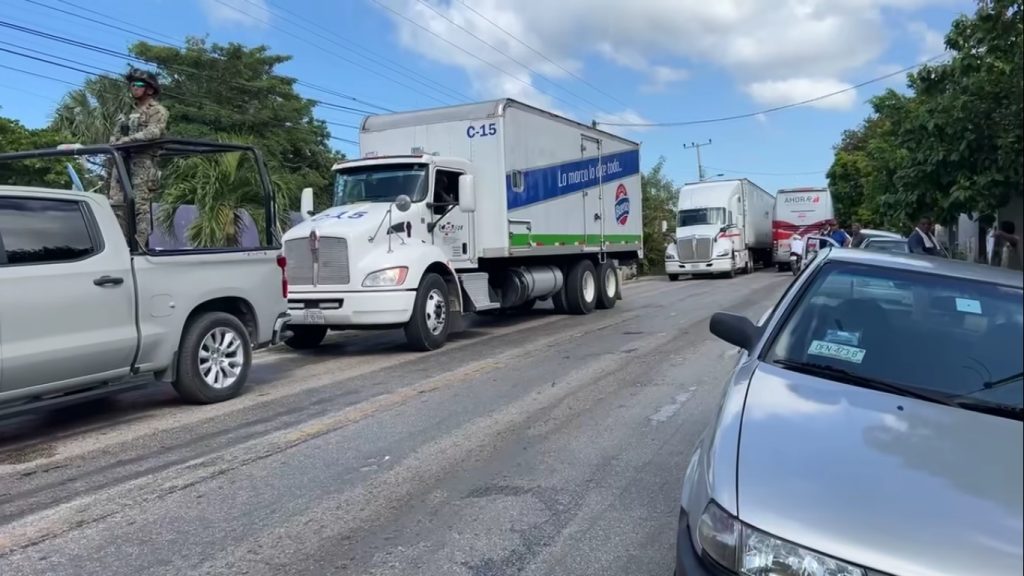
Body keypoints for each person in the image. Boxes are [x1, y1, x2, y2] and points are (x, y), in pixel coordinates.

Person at [107, 68, 169, 250]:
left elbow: (154, 131)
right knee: (116, 203)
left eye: (138, 84)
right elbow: (116, 133)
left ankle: (140, 246)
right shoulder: (127, 112)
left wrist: (128, 140)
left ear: (150, 89)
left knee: (140, 206)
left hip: (142, 160)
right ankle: (120, 244)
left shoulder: (157, 110)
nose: (133, 88)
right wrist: (114, 142)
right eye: (132, 85)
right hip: (122, 160)